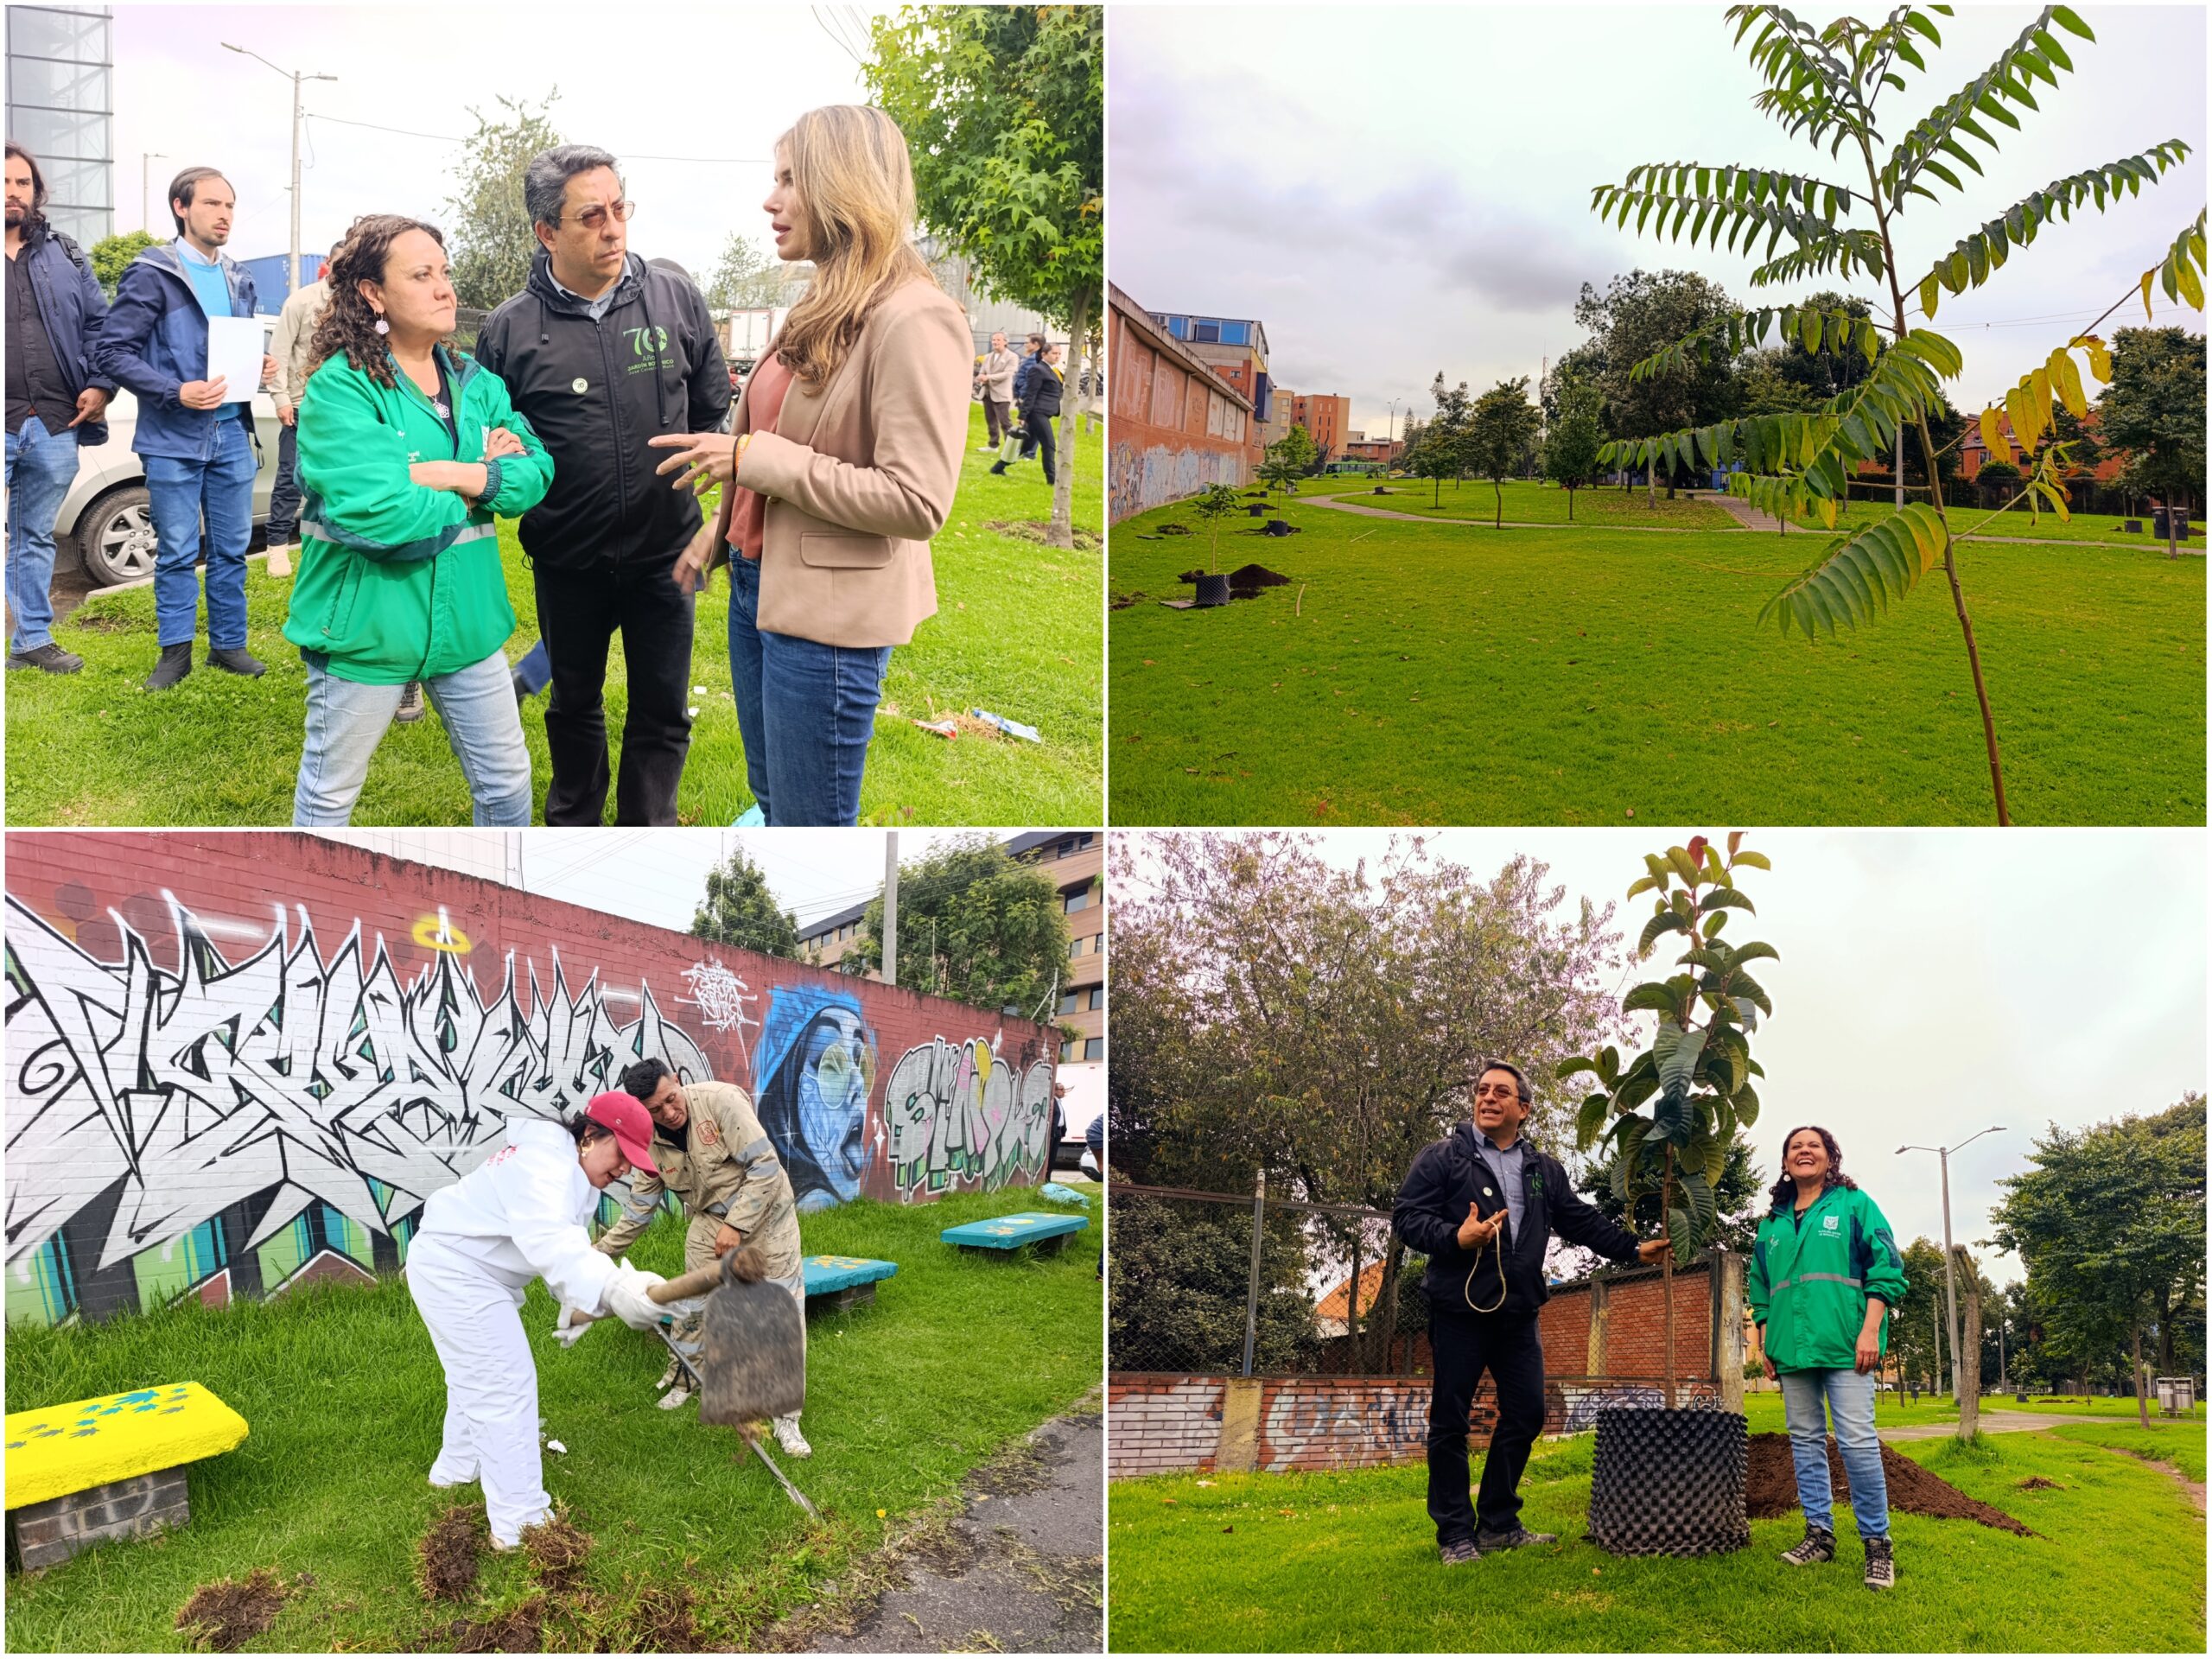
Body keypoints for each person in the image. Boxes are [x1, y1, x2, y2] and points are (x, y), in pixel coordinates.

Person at [651, 105, 969, 828]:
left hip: (828, 622)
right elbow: (764, 434)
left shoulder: (914, 316)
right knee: (774, 800)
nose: (771, 199)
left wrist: (751, 460)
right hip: (758, 588)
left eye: (791, 180)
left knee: (810, 824)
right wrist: (720, 532)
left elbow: (917, 500)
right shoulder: (822, 301)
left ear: (843, 187)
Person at [474, 146, 729, 827]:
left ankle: (649, 830)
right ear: (547, 232)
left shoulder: (675, 299)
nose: (613, 228)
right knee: (574, 704)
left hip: (666, 557)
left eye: (620, 209)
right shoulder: (509, 331)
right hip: (569, 561)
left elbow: (711, 414)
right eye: (592, 215)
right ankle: (572, 824)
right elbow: (492, 442)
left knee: (662, 711)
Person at [283, 214, 552, 827]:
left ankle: (497, 911)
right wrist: (481, 478)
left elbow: (537, 471)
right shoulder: (342, 388)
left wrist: (449, 474)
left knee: (508, 788)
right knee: (329, 800)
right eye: (422, 275)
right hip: (366, 633)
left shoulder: (474, 382)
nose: (445, 289)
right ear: (374, 294)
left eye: (446, 272)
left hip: (470, 628)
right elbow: (376, 511)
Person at [1392, 1060, 1672, 1565]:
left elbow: (1577, 1218)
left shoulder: (1542, 1170)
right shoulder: (1443, 1159)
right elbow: (1408, 1219)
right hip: (1459, 1309)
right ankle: (1455, 1533)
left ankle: (1498, 1521)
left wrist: (1633, 1249)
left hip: (1518, 1311)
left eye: (1502, 1092)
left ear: (1523, 1108)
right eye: (1481, 1090)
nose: (1488, 1098)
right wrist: (1457, 1238)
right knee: (1450, 1422)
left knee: (1527, 1413)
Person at [406, 1093, 670, 1549]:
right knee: (503, 1385)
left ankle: (456, 1467)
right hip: (457, 1271)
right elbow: (550, 1241)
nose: (625, 1170)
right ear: (590, 1136)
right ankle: (521, 1524)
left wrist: (580, 1303)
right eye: (622, 1155)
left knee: (475, 1376)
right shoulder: (545, 1166)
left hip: (466, 1269)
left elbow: (556, 1248)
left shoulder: (571, 1172)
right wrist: (613, 1287)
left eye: (634, 1162)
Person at [94, 165, 276, 691]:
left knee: (230, 547)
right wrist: (175, 391)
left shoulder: (238, 275)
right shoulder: (151, 272)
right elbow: (112, 351)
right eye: (212, 204)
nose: (224, 215)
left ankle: (229, 645)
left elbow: (228, 345)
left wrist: (259, 365)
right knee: (176, 549)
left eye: (230, 206)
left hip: (232, 435)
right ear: (182, 207)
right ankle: (175, 653)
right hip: (173, 437)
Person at [590, 1057, 810, 1455]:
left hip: (767, 1216)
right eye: (656, 1110)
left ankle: (787, 1419)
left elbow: (765, 1166)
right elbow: (640, 1209)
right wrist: (596, 1255)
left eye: (671, 1099)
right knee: (689, 1305)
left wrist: (738, 1225)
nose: (670, 1113)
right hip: (710, 1222)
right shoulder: (648, 1140)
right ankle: (686, 1377)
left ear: (676, 1081)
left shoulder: (722, 1101)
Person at [1750, 1124, 1909, 1591]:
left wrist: (1870, 1330)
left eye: (1813, 1145)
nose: (1804, 1151)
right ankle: (1819, 1535)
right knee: (1805, 1442)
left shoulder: (1855, 1206)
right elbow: (1761, 1286)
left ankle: (1878, 1545)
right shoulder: (1772, 1222)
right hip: (1791, 1350)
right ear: (1784, 1162)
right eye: (1795, 1146)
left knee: (1857, 1442)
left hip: (1846, 1346)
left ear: (1830, 1157)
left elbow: (1887, 1270)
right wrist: (1765, 1338)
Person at [4, 140, 111, 674]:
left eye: (22, 182)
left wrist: (100, 385)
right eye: (4, 182)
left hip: (52, 421)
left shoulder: (65, 252)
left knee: (33, 536)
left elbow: (100, 325)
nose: (12, 192)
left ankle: (30, 642)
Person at [991, 339, 1062, 485]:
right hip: (1037, 413)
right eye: (1054, 353)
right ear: (1044, 354)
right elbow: (1031, 393)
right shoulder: (1038, 369)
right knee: (1049, 445)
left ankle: (998, 467)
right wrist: (1023, 415)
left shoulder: (1052, 370)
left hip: (1043, 412)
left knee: (1026, 446)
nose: (1057, 356)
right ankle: (1052, 480)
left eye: (1059, 354)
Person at [975, 330, 1019, 451]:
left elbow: (1008, 373)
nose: (995, 342)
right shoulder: (988, 357)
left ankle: (1011, 448)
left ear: (1005, 342)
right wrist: (981, 377)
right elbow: (982, 371)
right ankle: (993, 445)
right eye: (993, 339)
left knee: (1005, 423)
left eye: (998, 340)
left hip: (1002, 394)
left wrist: (988, 377)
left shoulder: (1012, 357)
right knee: (991, 421)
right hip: (987, 393)